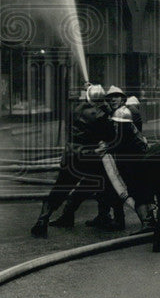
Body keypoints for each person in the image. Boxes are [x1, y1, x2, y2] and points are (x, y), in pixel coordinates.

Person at [30, 83, 114, 238]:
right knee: (100, 184)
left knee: (60, 189)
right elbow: (109, 135)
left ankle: (43, 219)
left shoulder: (75, 110)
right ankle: (102, 215)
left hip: (71, 155)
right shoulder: (102, 115)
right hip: (90, 156)